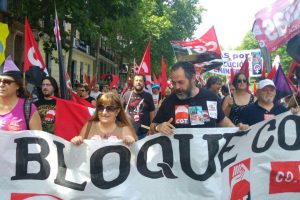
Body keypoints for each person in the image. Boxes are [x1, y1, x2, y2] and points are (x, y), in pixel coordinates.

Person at [150, 61, 242, 135]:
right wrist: (158, 127)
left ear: (193, 78)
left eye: (181, 82)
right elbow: (153, 126)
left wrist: (238, 130)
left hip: (207, 156)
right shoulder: (168, 102)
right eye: (174, 83)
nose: (176, 87)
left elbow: (222, 121)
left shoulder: (211, 97)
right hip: (180, 158)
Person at [70, 92, 137, 145]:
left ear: (117, 111)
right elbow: (79, 149)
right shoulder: (89, 125)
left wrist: (131, 142)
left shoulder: (124, 129)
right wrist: (77, 140)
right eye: (101, 108)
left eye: (109, 108)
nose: (104, 112)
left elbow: (133, 156)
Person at [0, 56, 42, 131]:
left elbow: (38, 140)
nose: (1, 84)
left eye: (7, 82)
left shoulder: (28, 108)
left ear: (18, 85)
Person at [122, 74, 155, 139]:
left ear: (144, 83)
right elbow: (121, 111)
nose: (138, 82)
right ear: (133, 82)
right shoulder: (127, 95)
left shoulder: (148, 96)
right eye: (136, 80)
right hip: (129, 133)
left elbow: (152, 113)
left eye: (140, 81)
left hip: (144, 133)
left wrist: (151, 128)